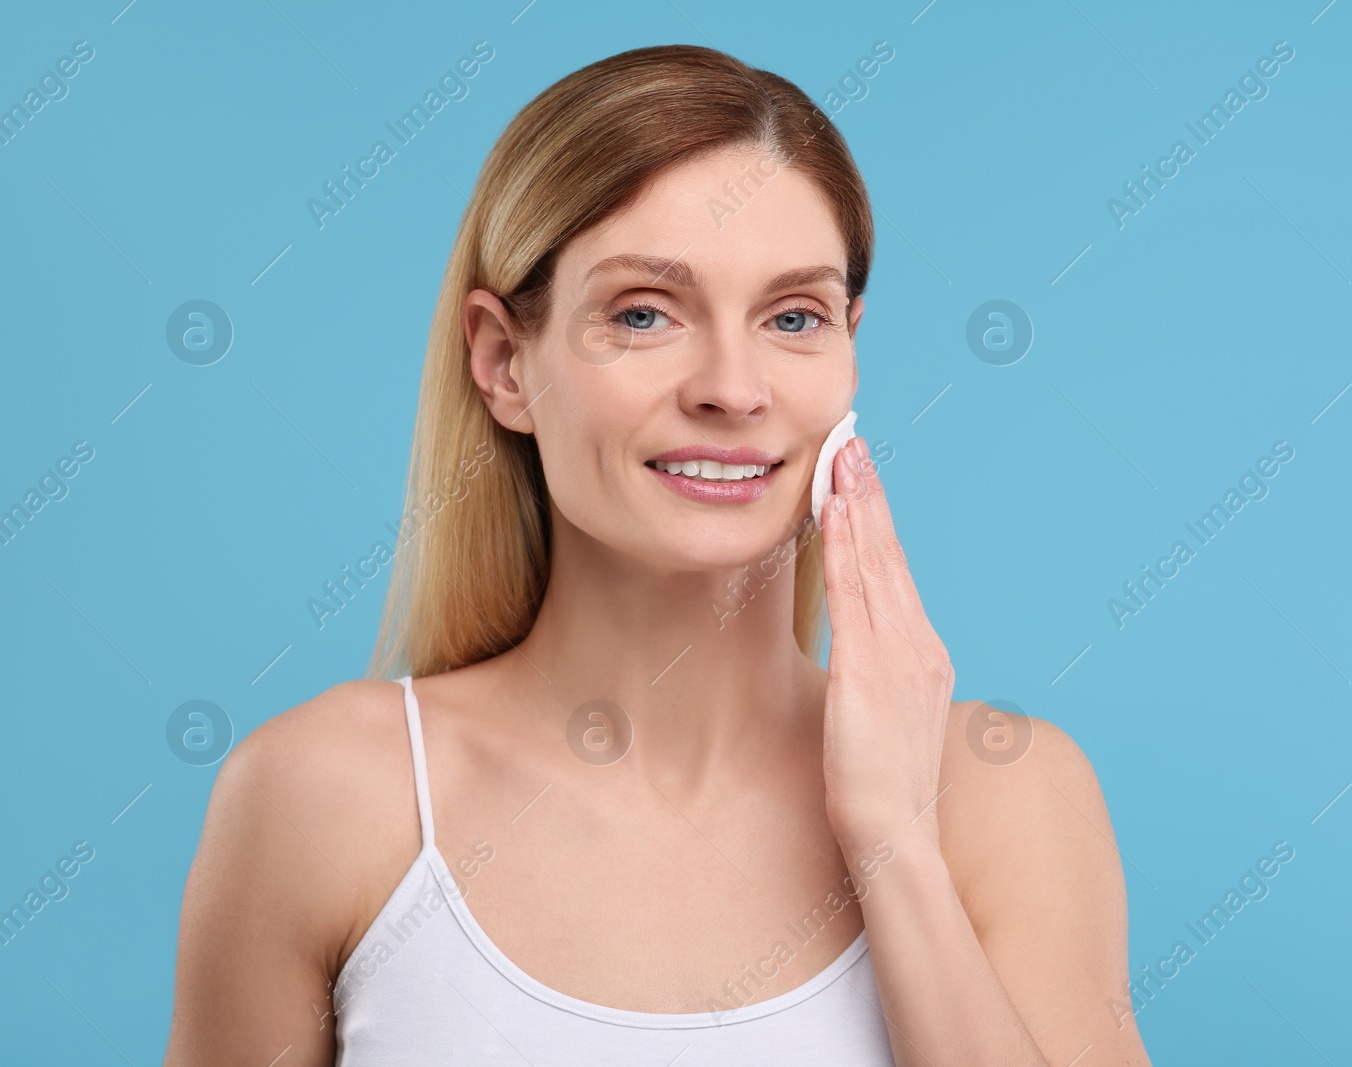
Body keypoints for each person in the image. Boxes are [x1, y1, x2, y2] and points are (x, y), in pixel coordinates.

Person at [163, 43, 1151, 1067]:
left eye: (793, 316)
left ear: (850, 346)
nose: (733, 385)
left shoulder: (1003, 793)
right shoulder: (322, 795)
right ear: (503, 362)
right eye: (643, 312)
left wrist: (892, 839)